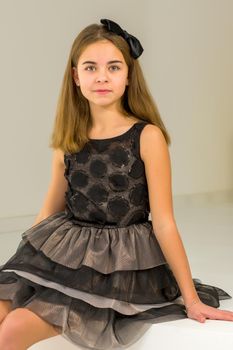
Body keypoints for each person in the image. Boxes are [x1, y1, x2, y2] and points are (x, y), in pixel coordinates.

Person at [0, 18, 232, 350]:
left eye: (113, 67)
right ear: (76, 76)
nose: (102, 77)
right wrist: (23, 272)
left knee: (12, 330)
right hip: (69, 254)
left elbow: (164, 222)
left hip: (120, 265)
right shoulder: (68, 140)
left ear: (128, 76)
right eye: (91, 67)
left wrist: (190, 298)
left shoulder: (146, 137)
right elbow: (47, 216)